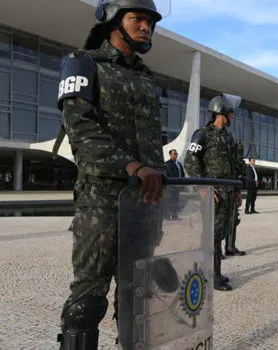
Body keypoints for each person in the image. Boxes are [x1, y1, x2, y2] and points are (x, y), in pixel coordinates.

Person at [55, 0, 166, 348]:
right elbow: (81, 129)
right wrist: (131, 166)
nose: (146, 27)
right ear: (112, 20)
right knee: (87, 302)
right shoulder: (83, 63)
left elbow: (152, 143)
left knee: (138, 296)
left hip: (144, 203)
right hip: (101, 202)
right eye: (137, 19)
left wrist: (162, 176)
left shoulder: (147, 80)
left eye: (150, 21)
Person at [184, 92, 242, 292]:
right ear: (221, 112)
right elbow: (190, 161)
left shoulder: (228, 137)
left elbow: (235, 165)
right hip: (213, 193)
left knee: (221, 233)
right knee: (211, 235)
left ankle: (215, 272)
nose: (232, 117)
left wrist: (237, 191)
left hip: (228, 192)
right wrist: (203, 187)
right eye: (230, 113)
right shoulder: (202, 134)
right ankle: (210, 275)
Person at [224, 126, 247, 257]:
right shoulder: (219, 157)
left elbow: (238, 174)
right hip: (218, 190)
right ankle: (214, 252)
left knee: (233, 219)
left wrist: (238, 192)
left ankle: (230, 246)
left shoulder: (234, 161)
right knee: (216, 222)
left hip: (232, 190)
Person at [165, 149, 185, 219]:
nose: (176, 155)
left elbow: (182, 174)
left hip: (178, 185)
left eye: (176, 153)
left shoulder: (179, 164)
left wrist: (182, 182)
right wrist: (174, 183)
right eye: (174, 154)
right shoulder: (167, 164)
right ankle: (167, 215)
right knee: (169, 200)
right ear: (170, 155)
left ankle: (174, 215)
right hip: (171, 186)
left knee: (176, 200)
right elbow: (170, 174)